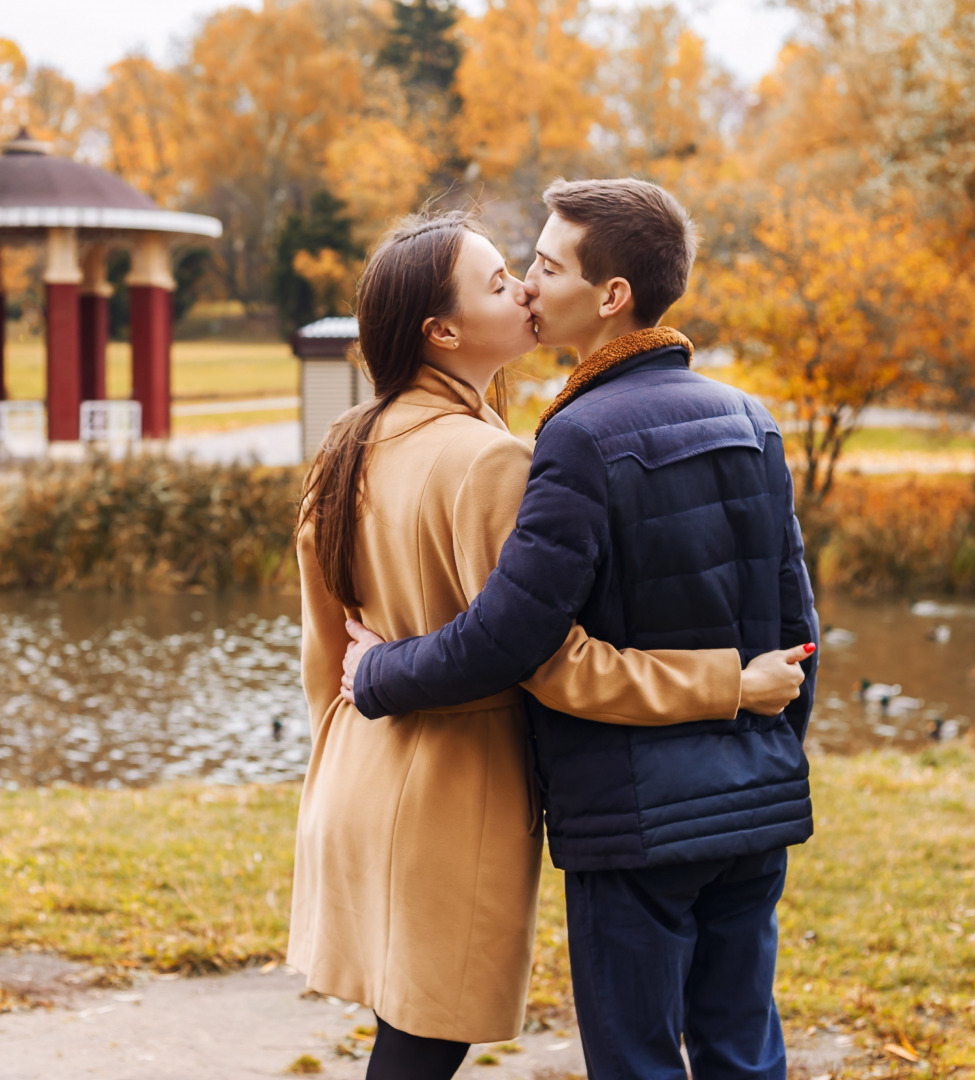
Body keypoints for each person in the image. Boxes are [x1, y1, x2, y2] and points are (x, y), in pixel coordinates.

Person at [288, 209, 810, 1080]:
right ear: (443, 330)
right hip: (453, 786)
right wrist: (732, 686)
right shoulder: (493, 464)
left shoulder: (344, 447)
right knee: (425, 1039)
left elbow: (323, 651)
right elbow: (544, 656)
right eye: (501, 281)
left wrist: (344, 730)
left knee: (409, 1036)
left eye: (526, 271)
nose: (525, 289)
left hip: (355, 770)